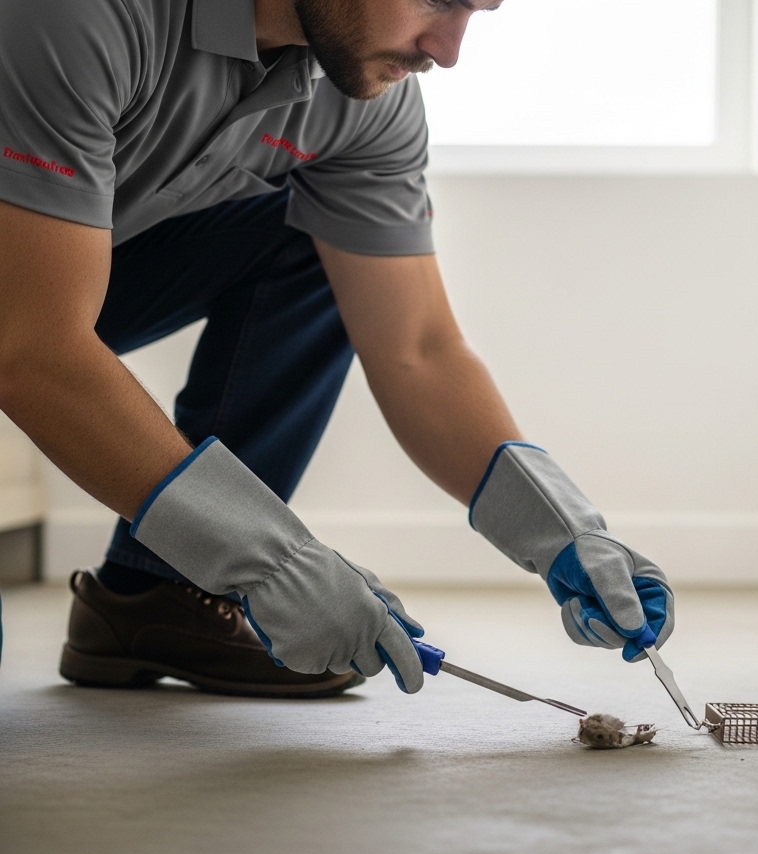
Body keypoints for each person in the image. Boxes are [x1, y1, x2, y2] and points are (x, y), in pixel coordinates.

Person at [0, 0, 674, 698]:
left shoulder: (361, 94)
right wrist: (265, 557)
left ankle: (161, 592)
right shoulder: (83, 13)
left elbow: (415, 346)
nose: (447, 51)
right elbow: (33, 345)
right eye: (440, 1)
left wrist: (561, 528)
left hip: (58, 276)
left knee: (318, 240)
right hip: (24, 305)